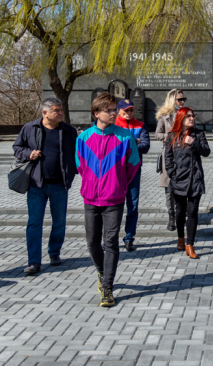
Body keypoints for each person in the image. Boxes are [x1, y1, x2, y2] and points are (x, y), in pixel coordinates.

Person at [76, 92, 141, 307]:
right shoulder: (83, 138)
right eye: (109, 110)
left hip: (114, 199)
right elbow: (80, 166)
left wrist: (117, 183)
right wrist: (92, 183)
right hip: (90, 199)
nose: (114, 113)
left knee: (111, 241)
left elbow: (133, 165)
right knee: (92, 242)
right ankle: (102, 272)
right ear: (96, 113)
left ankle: (107, 287)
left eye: (115, 110)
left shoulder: (125, 137)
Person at [13, 98, 78, 276]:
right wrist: (29, 153)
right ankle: (34, 261)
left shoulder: (68, 131)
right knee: (34, 223)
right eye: (57, 110)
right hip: (36, 185)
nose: (61, 113)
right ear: (45, 113)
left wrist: (74, 172)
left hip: (60, 185)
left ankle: (54, 253)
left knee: (59, 221)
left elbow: (78, 153)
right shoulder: (30, 128)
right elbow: (17, 147)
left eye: (61, 110)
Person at [164, 107, 211, 259]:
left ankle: (190, 245)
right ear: (180, 118)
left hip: (194, 179)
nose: (191, 118)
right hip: (178, 179)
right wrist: (172, 173)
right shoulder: (172, 136)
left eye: (193, 116)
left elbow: (206, 152)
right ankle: (180, 238)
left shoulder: (198, 134)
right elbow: (168, 157)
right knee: (180, 212)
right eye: (188, 116)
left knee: (192, 212)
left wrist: (194, 143)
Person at [114, 99, 150, 252]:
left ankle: (129, 238)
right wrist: (134, 142)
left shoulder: (141, 125)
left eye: (131, 110)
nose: (129, 113)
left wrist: (125, 144)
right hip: (115, 172)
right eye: (126, 110)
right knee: (113, 206)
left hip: (134, 170)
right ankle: (110, 238)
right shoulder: (112, 125)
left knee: (133, 205)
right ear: (119, 111)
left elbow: (145, 147)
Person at [155, 88, 187, 231]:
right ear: (172, 100)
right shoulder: (164, 117)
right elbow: (157, 134)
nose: (182, 102)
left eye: (183, 99)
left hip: (183, 154)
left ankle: (181, 215)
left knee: (183, 186)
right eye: (180, 99)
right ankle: (171, 217)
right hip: (168, 155)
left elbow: (195, 129)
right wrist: (166, 136)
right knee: (169, 188)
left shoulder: (187, 114)